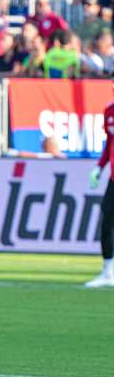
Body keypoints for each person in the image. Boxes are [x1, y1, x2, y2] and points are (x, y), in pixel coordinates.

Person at [86, 93, 114, 288]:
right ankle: (108, 272)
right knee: (107, 220)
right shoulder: (109, 111)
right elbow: (109, 144)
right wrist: (100, 167)